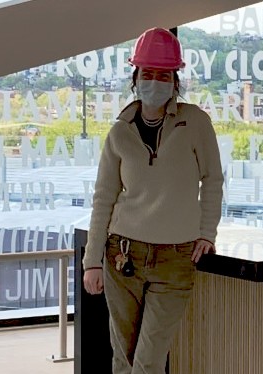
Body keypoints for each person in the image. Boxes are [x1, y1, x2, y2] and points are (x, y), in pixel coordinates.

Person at [81, 27, 224, 374]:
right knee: (124, 359)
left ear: (175, 80)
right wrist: (92, 261)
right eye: (148, 74)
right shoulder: (120, 132)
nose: (155, 82)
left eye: (164, 75)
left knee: (147, 362)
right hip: (122, 255)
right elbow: (104, 198)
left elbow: (214, 180)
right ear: (136, 77)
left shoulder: (195, 123)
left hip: (175, 260)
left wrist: (207, 233)